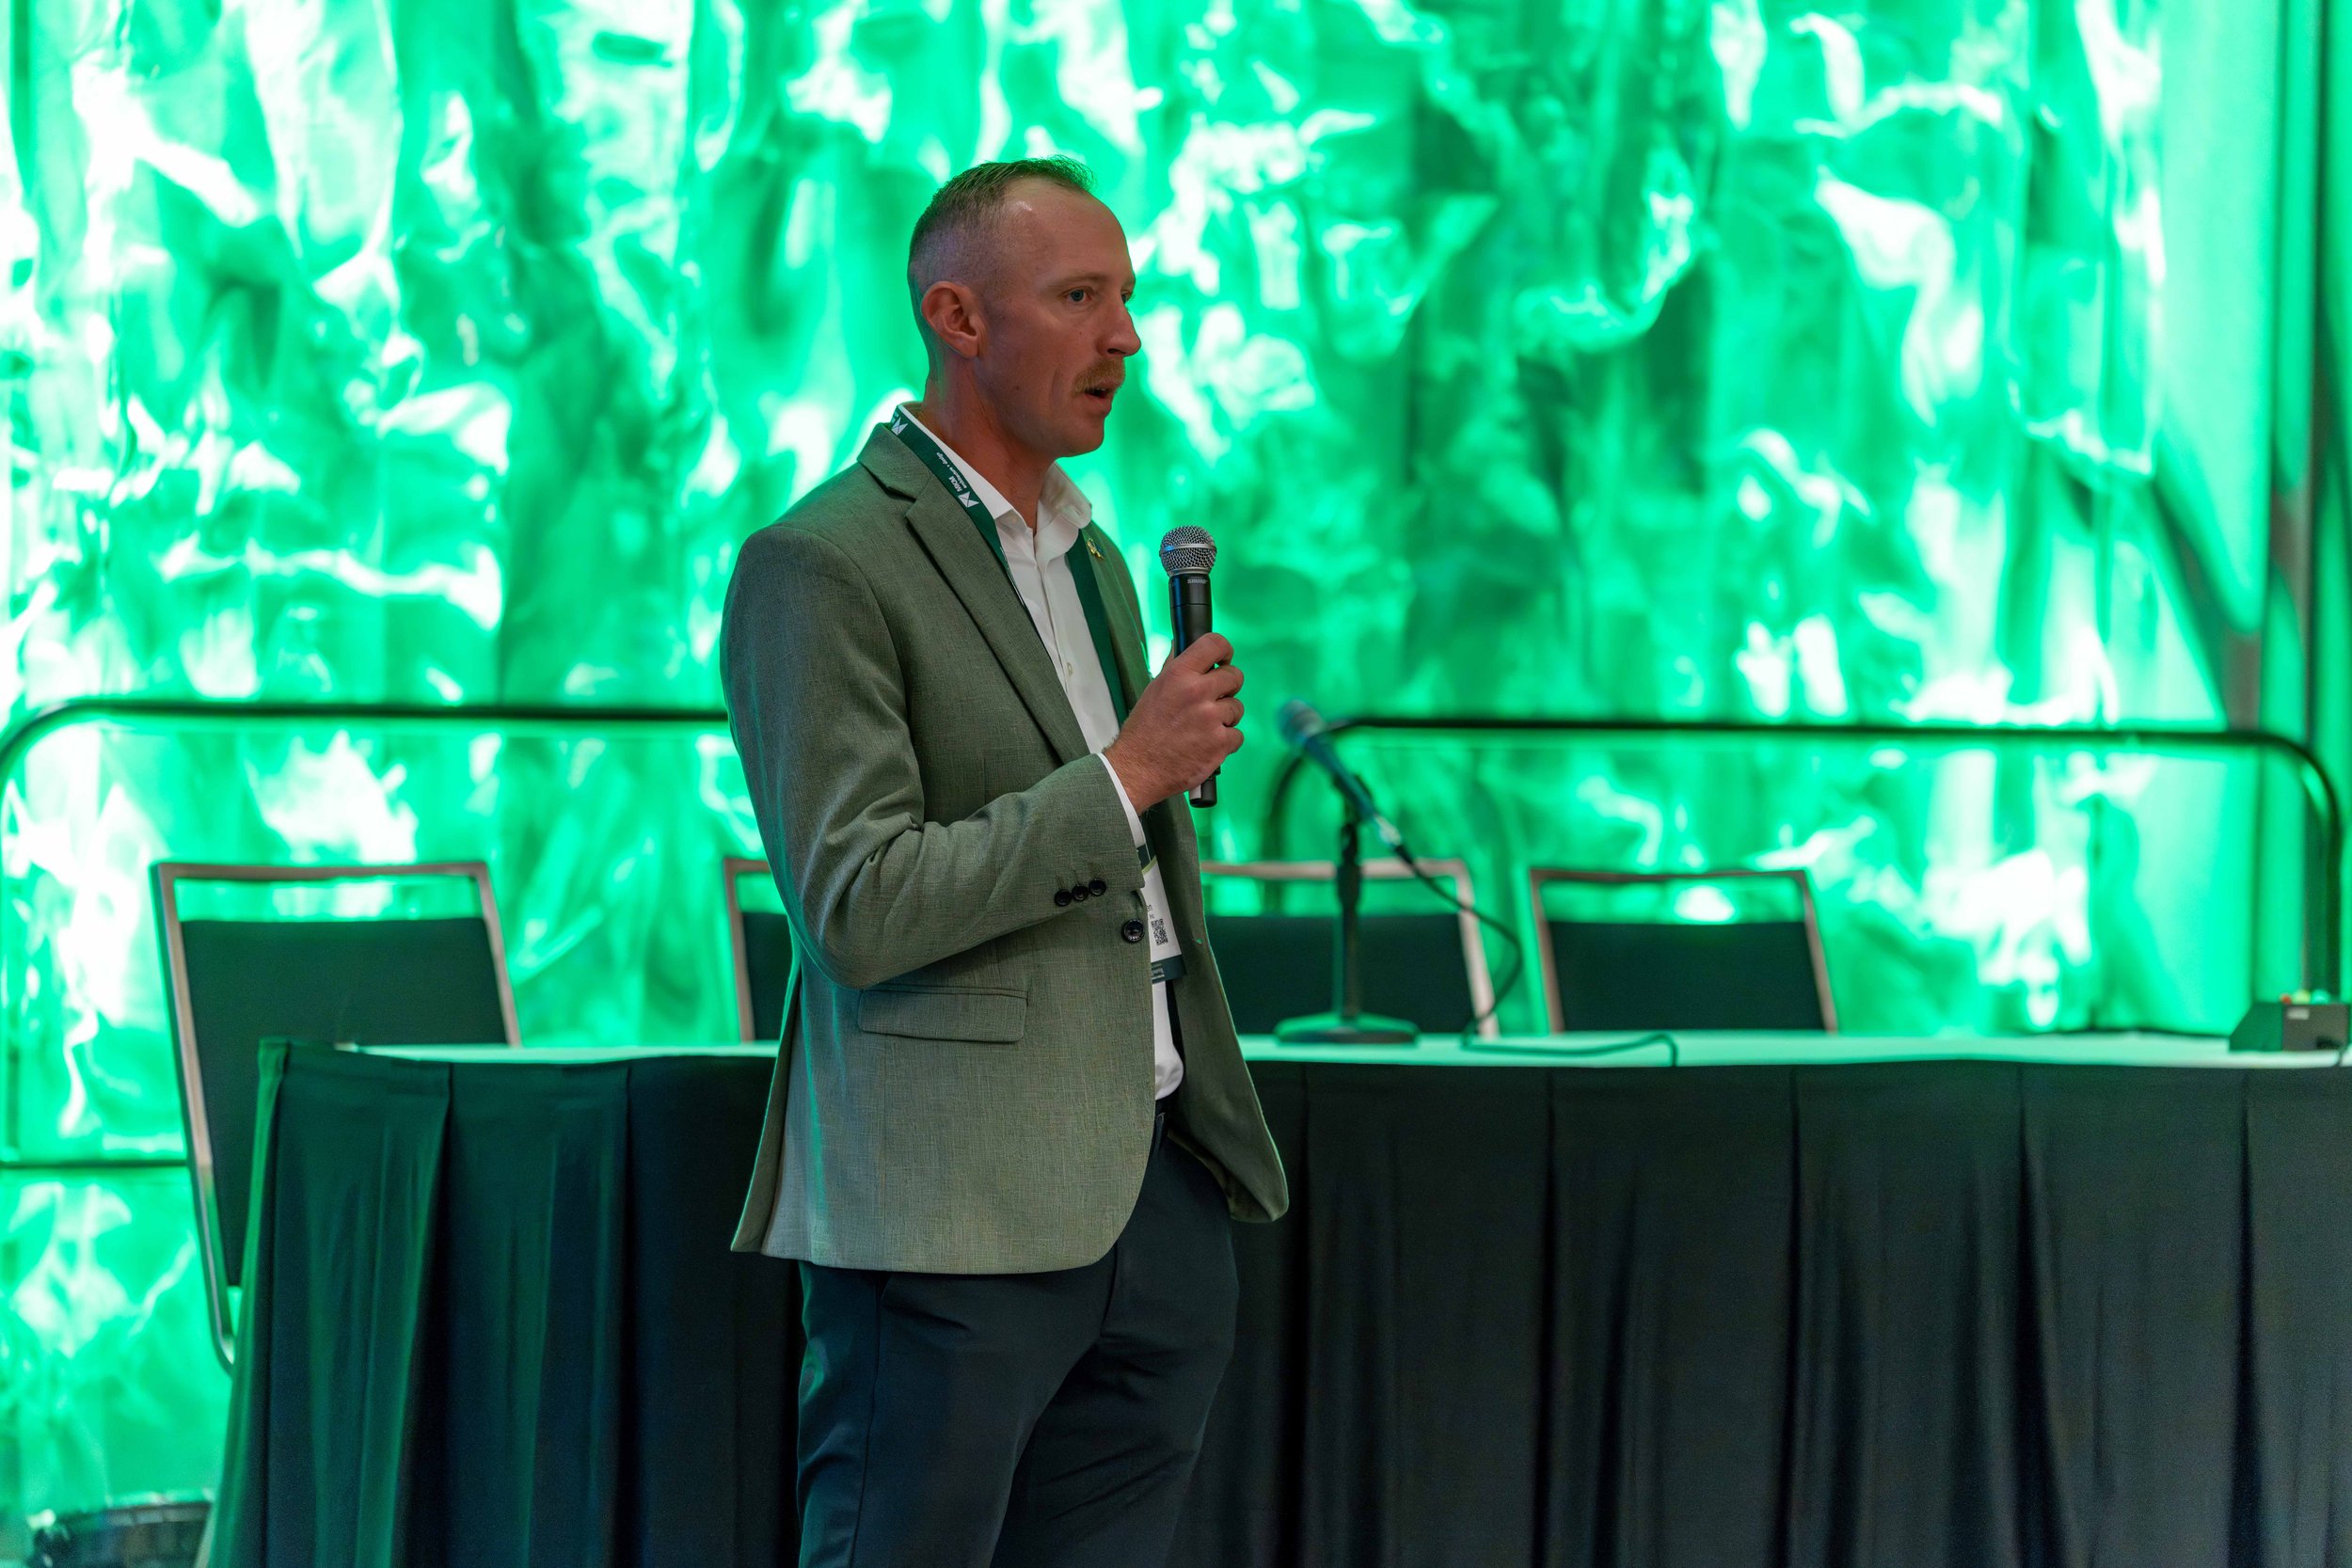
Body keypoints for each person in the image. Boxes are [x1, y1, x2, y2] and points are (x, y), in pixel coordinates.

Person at [720, 155, 1290, 1568]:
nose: (1127, 339)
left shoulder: (1097, 561)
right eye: (1082, 297)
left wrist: (1140, 781)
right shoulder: (823, 564)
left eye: (1130, 300)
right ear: (959, 320)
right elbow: (857, 902)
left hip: (1153, 1196)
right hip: (953, 1220)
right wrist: (1127, 774)